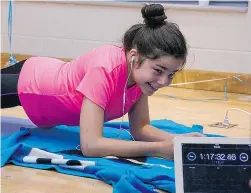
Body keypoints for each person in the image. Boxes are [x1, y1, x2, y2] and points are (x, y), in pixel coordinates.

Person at [1, 4, 205, 159]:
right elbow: (91, 146)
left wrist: (180, 142)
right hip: (31, 82)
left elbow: (140, 128)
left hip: (46, 77)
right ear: (135, 56)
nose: (164, 82)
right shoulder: (105, 69)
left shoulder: (140, 77)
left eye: (171, 74)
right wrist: (160, 149)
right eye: (159, 71)